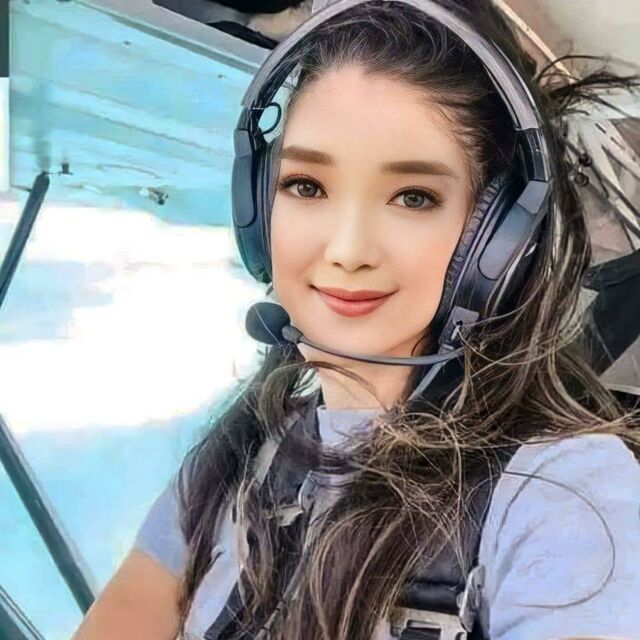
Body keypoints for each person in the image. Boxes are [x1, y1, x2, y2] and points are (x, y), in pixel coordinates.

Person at [71, 0, 640, 639]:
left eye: (413, 197)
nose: (346, 250)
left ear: (498, 243)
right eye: (306, 186)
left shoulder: (565, 493)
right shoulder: (235, 458)